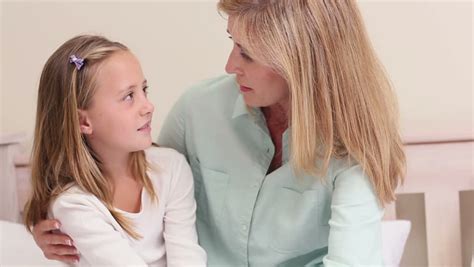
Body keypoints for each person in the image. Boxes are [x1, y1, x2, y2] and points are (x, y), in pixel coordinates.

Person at [31, 0, 406, 266]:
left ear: (298, 64)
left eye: (247, 54)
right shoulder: (197, 110)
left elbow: (351, 260)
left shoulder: (351, 148)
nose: (229, 65)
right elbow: (135, 182)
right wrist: (51, 227)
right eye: (232, 43)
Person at [23, 35, 207, 266]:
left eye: (144, 89)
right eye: (129, 96)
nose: (148, 106)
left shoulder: (170, 167)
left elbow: (187, 255)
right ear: (83, 121)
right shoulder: (74, 204)